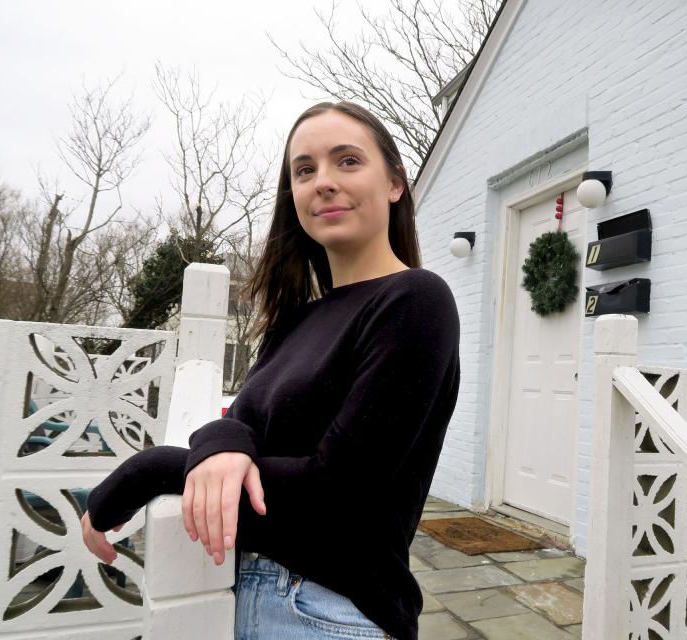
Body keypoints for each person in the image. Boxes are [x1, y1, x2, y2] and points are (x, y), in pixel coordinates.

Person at [80, 101, 462, 640]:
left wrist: (153, 469)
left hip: (330, 610)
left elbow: (337, 494)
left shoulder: (416, 300)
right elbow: (238, 429)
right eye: (304, 170)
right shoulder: (295, 321)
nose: (322, 182)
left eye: (347, 161)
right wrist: (222, 443)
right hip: (242, 596)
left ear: (396, 183)